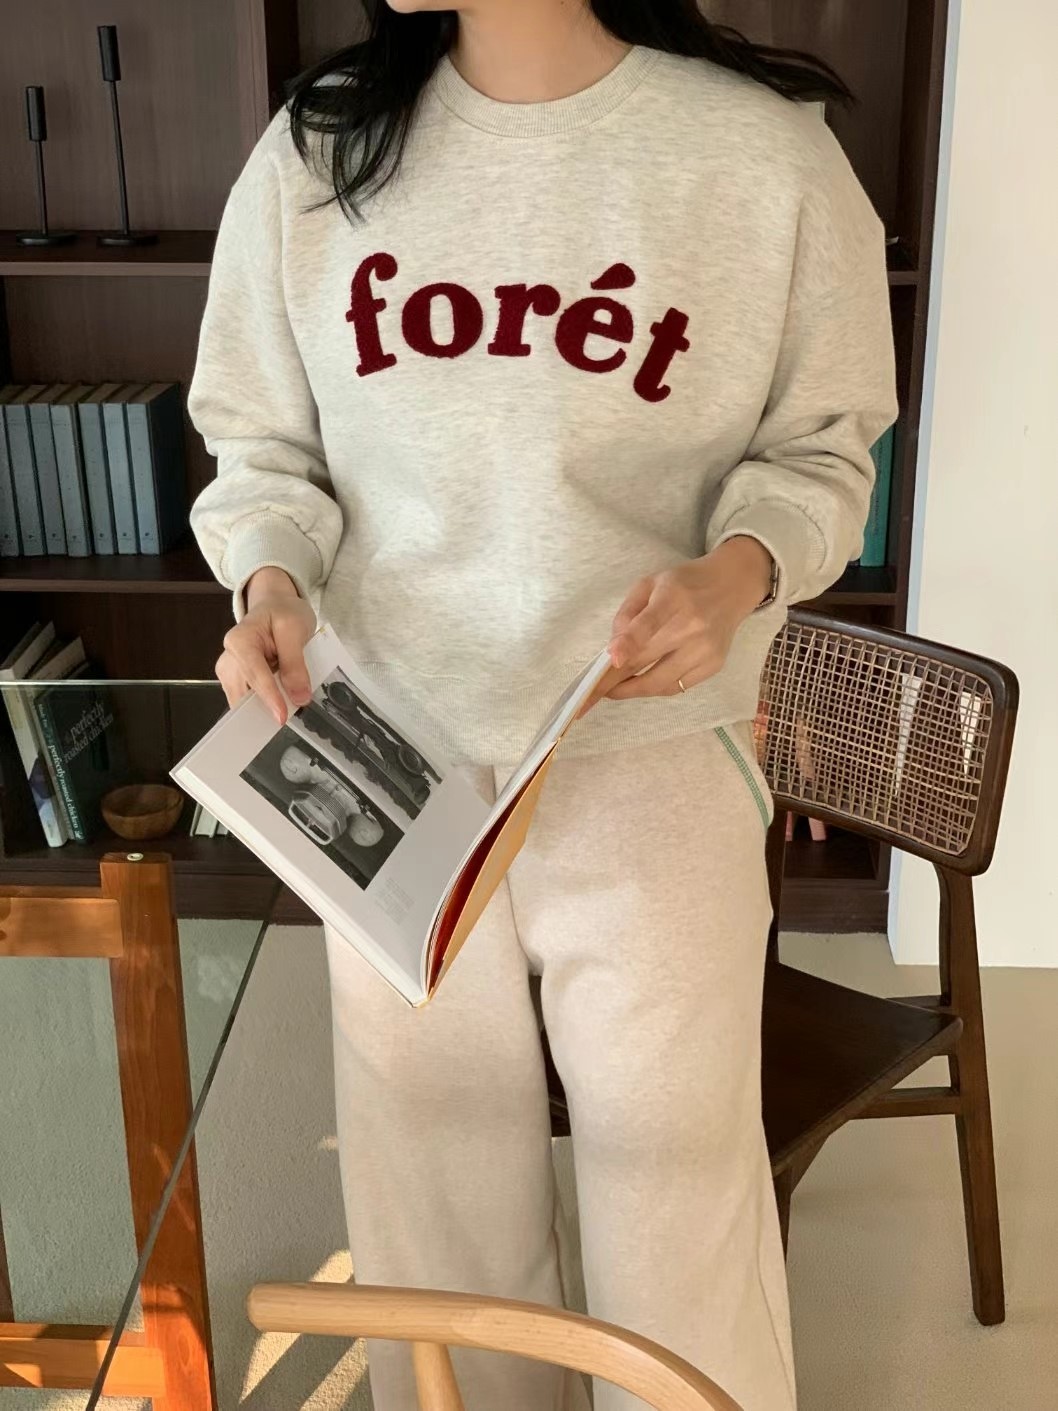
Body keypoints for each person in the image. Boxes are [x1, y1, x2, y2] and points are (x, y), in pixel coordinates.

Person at [186, 2, 897, 1407]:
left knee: (675, 1209)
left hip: (648, 758)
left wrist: (737, 573)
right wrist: (269, 582)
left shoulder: (762, 156)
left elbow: (822, 450)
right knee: (431, 1209)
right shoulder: (320, 150)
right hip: (382, 760)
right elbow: (261, 445)